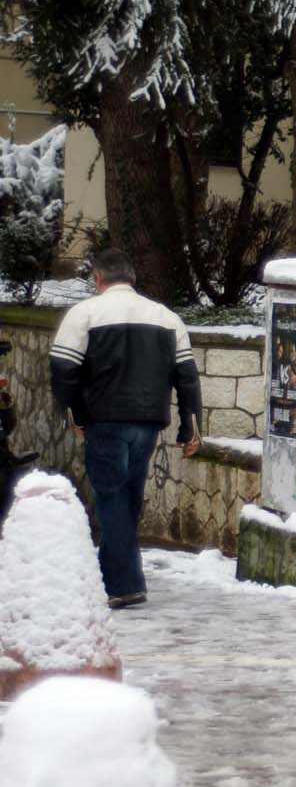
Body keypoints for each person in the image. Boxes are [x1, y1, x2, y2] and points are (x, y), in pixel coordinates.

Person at [48, 249, 203, 609]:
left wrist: (75, 415)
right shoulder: (166, 317)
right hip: (148, 422)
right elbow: (187, 377)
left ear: (98, 279)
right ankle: (112, 575)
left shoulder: (84, 313)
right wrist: (190, 428)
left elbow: (63, 371)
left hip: (105, 420)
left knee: (111, 497)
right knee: (128, 498)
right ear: (132, 278)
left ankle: (124, 584)